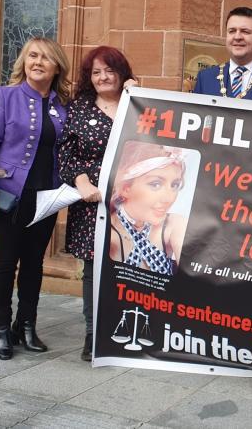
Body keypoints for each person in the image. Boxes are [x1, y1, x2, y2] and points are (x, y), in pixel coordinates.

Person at [0, 37, 70, 360]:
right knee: (4, 262)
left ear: (57, 66)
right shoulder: (4, 97)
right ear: (23, 61)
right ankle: (0, 329)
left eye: (45, 57)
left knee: (34, 264)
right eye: (32, 56)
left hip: (46, 196)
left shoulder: (62, 106)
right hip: (9, 195)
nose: (37, 62)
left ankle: (25, 325)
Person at [57, 46, 136, 361]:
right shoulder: (80, 107)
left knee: (128, 266)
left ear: (121, 72)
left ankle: (127, 330)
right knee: (93, 269)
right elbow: (65, 152)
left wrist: (141, 93)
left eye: (110, 70)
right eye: (96, 71)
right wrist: (81, 181)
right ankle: (93, 334)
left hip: (131, 201)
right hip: (92, 202)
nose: (103, 77)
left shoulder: (138, 104)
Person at [108, 142, 188, 276]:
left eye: (174, 185)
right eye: (155, 184)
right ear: (126, 188)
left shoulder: (175, 225)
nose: (169, 198)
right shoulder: (108, 231)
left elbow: (196, 280)